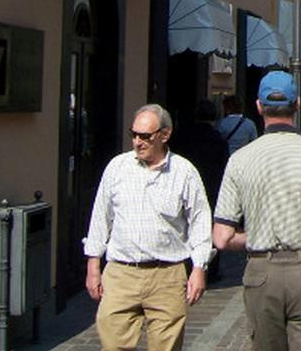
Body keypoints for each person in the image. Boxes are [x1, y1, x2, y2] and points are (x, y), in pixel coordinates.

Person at [212, 71, 301, 351]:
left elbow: (221, 237)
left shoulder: (240, 160)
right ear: (298, 104)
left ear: (258, 106)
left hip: (261, 272)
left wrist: (254, 235)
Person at [83, 104, 211, 351]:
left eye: (145, 136)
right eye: (134, 135)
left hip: (167, 275)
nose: (137, 142)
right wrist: (93, 266)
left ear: (165, 134)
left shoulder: (184, 172)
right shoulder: (117, 168)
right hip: (121, 273)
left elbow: (200, 222)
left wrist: (199, 268)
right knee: (112, 346)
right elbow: (101, 217)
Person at [172, 99, 230, 282]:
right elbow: (224, 167)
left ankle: (186, 263)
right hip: (211, 187)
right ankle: (210, 269)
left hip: (184, 185)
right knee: (209, 227)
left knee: (185, 225)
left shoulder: (182, 136)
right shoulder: (218, 139)